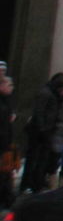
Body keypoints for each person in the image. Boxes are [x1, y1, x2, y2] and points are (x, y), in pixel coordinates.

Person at [21, 74, 63, 193]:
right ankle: (30, 184)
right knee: (35, 160)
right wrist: (42, 129)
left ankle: (36, 183)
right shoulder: (46, 93)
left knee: (42, 160)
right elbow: (39, 112)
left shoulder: (52, 93)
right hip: (40, 133)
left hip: (46, 131)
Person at [0, 72, 16, 207]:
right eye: (9, 84)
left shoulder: (7, 101)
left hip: (6, 143)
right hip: (3, 144)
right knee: (5, 172)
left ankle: (7, 199)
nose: (12, 87)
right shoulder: (3, 104)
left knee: (6, 172)